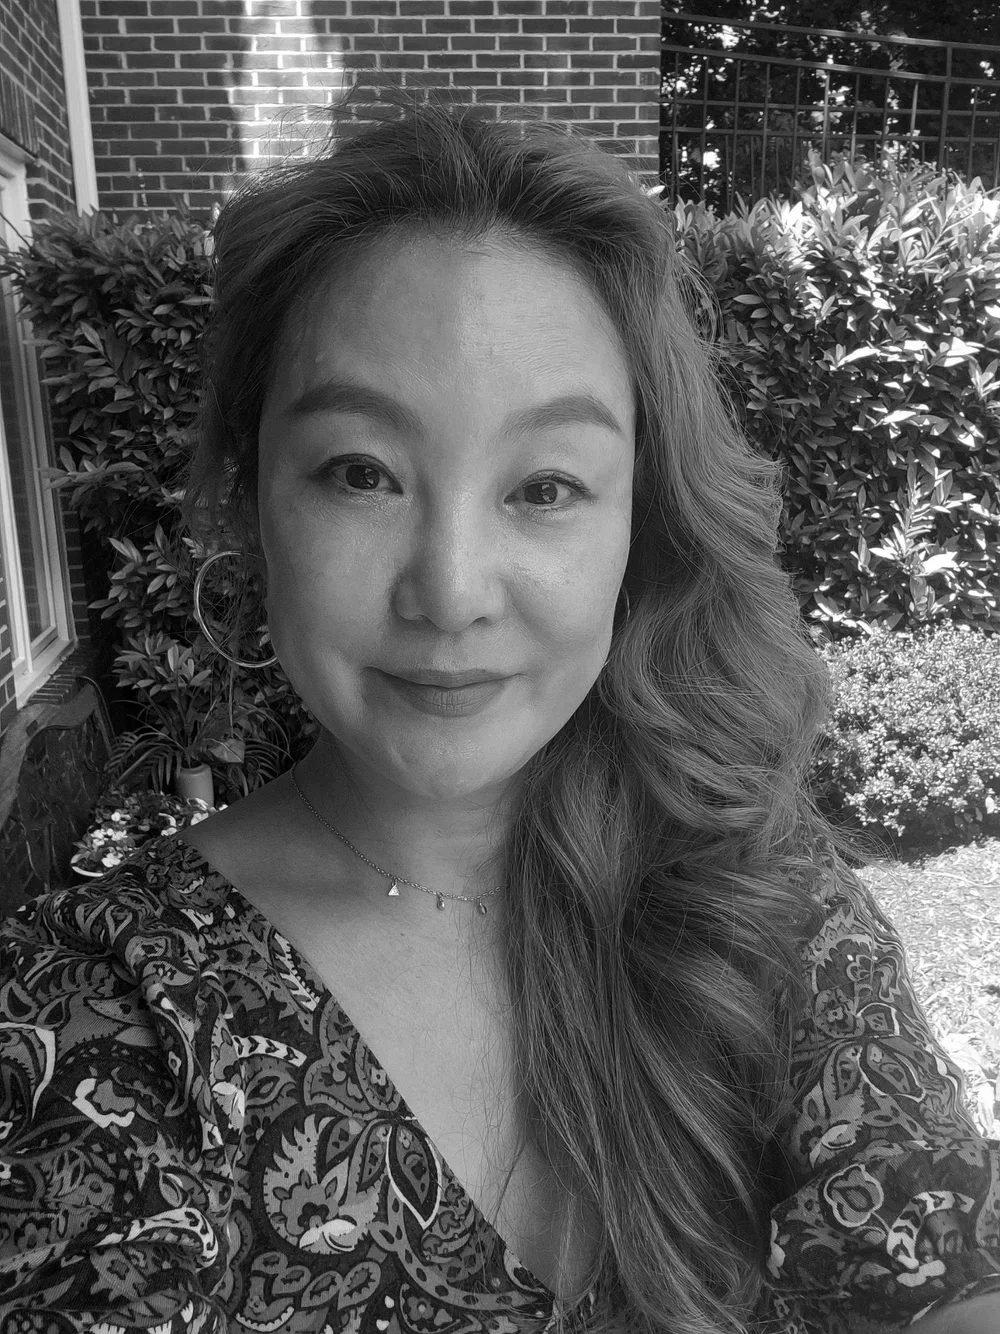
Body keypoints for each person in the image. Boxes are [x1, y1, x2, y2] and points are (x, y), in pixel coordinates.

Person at [1, 90, 998, 1334]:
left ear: (640, 526)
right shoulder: (100, 1008)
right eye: (362, 471)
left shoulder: (761, 900)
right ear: (254, 499)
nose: (450, 590)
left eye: (545, 485)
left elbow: (933, 1255)